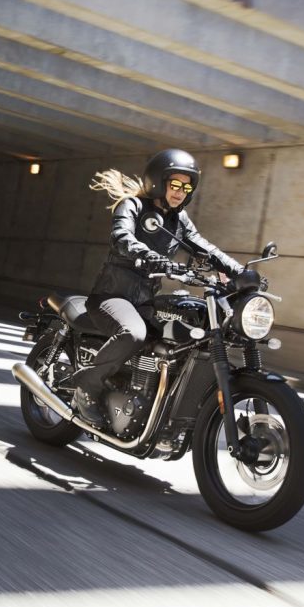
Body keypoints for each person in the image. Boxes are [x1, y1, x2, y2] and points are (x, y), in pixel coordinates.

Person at [70, 148, 243, 428]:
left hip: (145, 302)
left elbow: (205, 248)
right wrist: (152, 256)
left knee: (179, 341)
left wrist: (241, 272)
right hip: (112, 296)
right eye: (175, 184)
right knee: (133, 334)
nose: (180, 192)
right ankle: (85, 387)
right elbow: (121, 237)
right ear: (158, 182)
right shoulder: (133, 206)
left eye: (186, 187)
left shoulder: (179, 220)